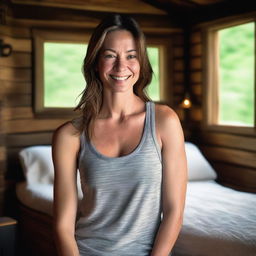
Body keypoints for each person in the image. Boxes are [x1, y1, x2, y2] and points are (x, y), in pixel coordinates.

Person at [52, 14, 187, 256]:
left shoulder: (165, 121)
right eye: (110, 55)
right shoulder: (69, 136)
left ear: (141, 62)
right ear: (95, 62)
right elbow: (63, 225)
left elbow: (174, 211)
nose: (121, 66)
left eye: (131, 56)